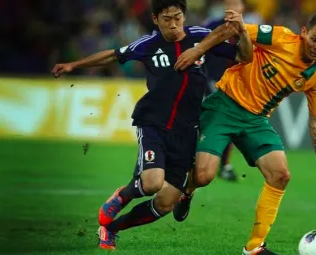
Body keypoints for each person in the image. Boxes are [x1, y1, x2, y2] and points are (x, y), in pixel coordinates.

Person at [51, 0, 253, 250]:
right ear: (156, 20)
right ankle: (124, 194)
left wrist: (242, 31)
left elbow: (244, 56)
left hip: (188, 130)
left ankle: (111, 229)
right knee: (152, 183)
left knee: (166, 203)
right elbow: (114, 55)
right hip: (154, 124)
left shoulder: (201, 37)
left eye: (178, 17)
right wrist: (74, 65)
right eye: (167, 19)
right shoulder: (148, 44)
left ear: (184, 16)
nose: (173, 24)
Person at [173, 13, 316, 255]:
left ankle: (253, 247)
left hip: (257, 120)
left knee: (281, 175)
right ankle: (187, 191)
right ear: (304, 32)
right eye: (315, 39)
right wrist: (198, 51)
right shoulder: (280, 37)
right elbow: (232, 29)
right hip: (225, 106)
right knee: (205, 175)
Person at [201, 0, 247, 182]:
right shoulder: (212, 25)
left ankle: (224, 165)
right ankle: (201, 161)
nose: (234, 8)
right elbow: (200, 50)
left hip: (235, 85)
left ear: (243, 9)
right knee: (206, 121)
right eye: (230, 4)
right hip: (210, 80)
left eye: (237, 5)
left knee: (229, 124)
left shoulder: (248, 30)